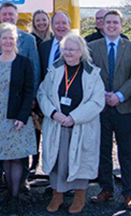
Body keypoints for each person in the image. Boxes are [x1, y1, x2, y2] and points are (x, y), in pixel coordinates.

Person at [38, 33, 105, 214]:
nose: (68, 53)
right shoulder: (55, 69)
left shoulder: (92, 73)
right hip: (57, 124)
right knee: (57, 161)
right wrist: (53, 113)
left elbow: (97, 102)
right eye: (65, 49)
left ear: (81, 51)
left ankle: (79, 196)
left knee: (80, 160)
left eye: (72, 49)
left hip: (80, 125)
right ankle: (57, 195)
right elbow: (42, 94)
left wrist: (74, 117)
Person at [89, 9, 131, 210]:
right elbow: (90, 74)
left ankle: (129, 192)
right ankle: (106, 189)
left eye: (115, 23)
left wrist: (119, 96)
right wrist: (103, 95)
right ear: (102, 25)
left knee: (127, 153)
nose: (111, 26)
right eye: (108, 22)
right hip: (101, 108)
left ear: (121, 26)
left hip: (124, 108)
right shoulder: (92, 47)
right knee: (103, 151)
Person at [0, 3, 39, 189]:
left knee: (19, 145)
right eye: (4, 14)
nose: (7, 17)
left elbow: (35, 69)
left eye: (11, 14)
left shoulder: (29, 40)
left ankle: (22, 180)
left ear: (16, 16)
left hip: (19, 102)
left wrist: (33, 98)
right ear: (0, 16)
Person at [35, 10, 72, 173]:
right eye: (57, 23)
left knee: (68, 144)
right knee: (50, 142)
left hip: (70, 104)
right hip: (48, 103)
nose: (60, 26)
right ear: (52, 26)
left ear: (69, 25)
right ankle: (53, 177)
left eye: (64, 23)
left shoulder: (78, 46)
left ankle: (68, 178)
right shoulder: (44, 47)